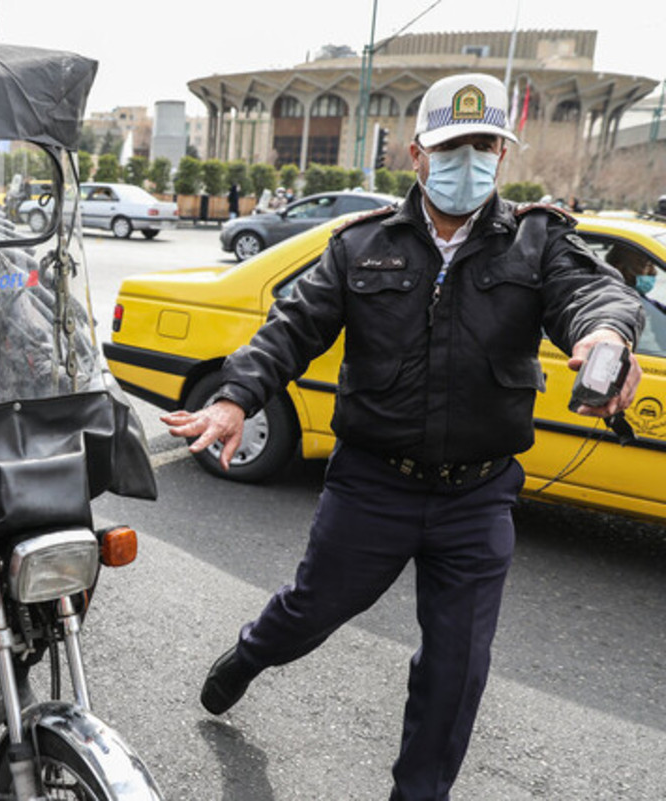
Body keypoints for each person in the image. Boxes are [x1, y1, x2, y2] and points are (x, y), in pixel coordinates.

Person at [163, 73, 645, 801]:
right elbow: (292, 330)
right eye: (453, 146)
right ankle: (251, 653)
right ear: (417, 155)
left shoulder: (536, 240)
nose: (470, 161)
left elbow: (596, 293)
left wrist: (607, 334)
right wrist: (234, 399)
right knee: (310, 609)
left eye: (485, 145)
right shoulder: (361, 245)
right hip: (373, 485)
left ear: (502, 156)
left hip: (477, 496)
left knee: (457, 667)